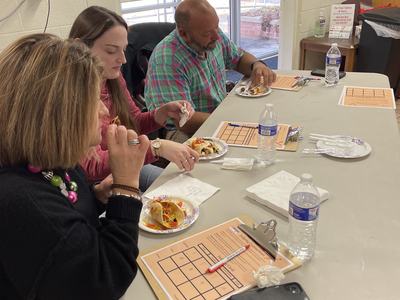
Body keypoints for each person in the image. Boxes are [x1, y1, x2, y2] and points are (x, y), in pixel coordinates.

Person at [0, 33, 146, 299]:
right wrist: (126, 188)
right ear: (61, 113)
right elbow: (104, 281)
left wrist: (99, 198)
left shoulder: (54, 163)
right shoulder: (21, 201)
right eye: (94, 100)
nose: (104, 110)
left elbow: (73, 220)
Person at [69, 6, 200, 190]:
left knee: (187, 186)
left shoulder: (113, 78)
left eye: (123, 49)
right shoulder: (70, 96)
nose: (122, 59)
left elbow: (133, 122)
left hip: (126, 166)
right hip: (97, 185)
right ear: (79, 48)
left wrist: (161, 113)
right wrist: (156, 147)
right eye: (111, 51)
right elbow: (91, 166)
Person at [145, 0, 277, 143]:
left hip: (217, 112)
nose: (217, 36)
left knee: (268, 126)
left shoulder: (212, 34)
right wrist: (228, 119)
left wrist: (256, 65)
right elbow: (184, 120)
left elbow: (237, 59)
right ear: (184, 33)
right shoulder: (167, 60)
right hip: (183, 130)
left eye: (217, 27)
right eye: (207, 33)